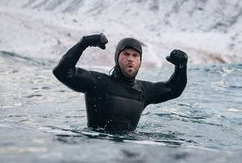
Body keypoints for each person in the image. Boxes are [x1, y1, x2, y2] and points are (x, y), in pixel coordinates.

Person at [53, 33, 188, 132]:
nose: (130, 59)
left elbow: (174, 89)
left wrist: (181, 67)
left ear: (140, 61)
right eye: (126, 54)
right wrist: (83, 42)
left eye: (135, 56)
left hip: (130, 149)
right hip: (97, 147)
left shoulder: (145, 91)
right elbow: (62, 72)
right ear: (117, 58)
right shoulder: (98, 82)